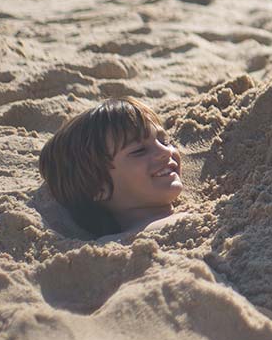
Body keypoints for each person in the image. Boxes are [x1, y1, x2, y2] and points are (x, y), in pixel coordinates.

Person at [38, 99, 184, 238]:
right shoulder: (121, 244)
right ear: (99, 187)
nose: (165, 152)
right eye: (139, 151)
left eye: (165, 141)